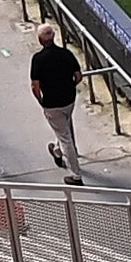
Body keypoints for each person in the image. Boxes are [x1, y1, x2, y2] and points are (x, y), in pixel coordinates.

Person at [28, 31, 85, 176]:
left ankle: (76, 174)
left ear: (40, 40)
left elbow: (35, 86)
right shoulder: (66, 54)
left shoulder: (38, 59)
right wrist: (70, 87)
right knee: (63, 128)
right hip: (69, 100)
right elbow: (78, 76)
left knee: (65, 137)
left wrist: (41, 100)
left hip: (52, 104)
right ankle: (57, 152)